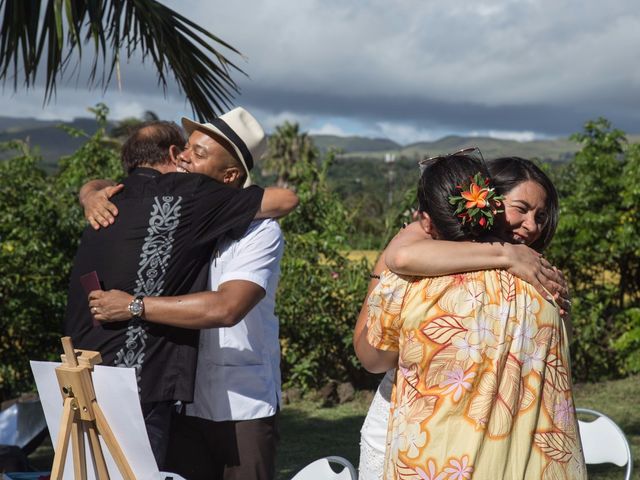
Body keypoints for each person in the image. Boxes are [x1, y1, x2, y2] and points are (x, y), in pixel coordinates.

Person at [64, 111, 297, 469]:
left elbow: (227, 308)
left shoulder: (260, 232)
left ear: (230, 176)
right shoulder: (176, 205)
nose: (183, 157)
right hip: (180, 401)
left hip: (239, 402)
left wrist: (134, 307)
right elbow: (117, 183)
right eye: (186, 149)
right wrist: (90, 193)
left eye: (198, 154)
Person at [355, 151, 585, 478]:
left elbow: (374, 357)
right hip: (521, 453)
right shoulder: (544, 280)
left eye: (540, 216)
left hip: (426, 445)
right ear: (486, 200)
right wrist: (507, 255)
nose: (533, 226)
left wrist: (382, 274)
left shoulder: (414, 278)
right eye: (520, 209)